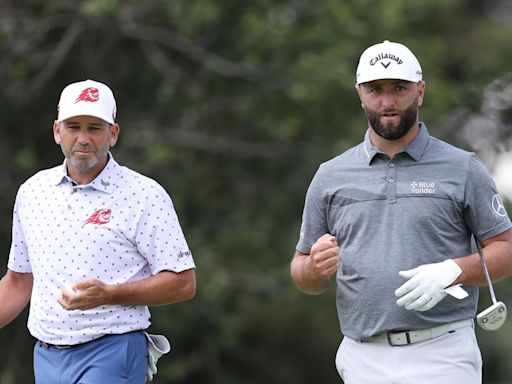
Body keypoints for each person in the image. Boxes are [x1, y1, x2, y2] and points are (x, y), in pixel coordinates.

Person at [290, 40, 512, 383]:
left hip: (443, 352)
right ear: (360, 93)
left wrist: (453, 271)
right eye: (375, 89)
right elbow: (303, 274)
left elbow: (506, 250)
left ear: (420, 92)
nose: (388, 101)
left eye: (400, 88)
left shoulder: (463, 168)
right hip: (362, 355)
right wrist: (314, 269)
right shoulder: (330, 176)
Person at [0, 79, 196, 383]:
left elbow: (183, 282)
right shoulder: (32, 192)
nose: (83, 138)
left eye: (94, 128)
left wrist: (110, 294)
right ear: (57, 131)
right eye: (73, 126)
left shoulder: (144, 195)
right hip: (46, 354)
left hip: (113, 349)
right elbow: (18, 282)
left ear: (113, 134)